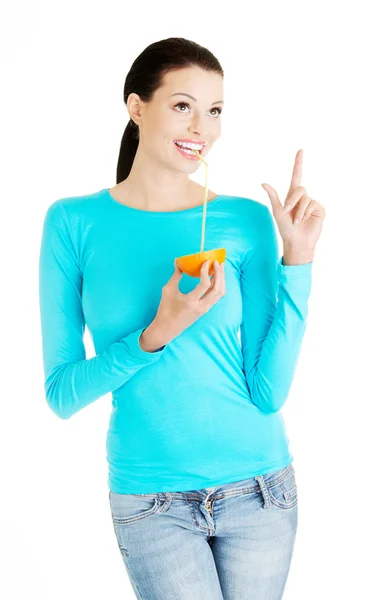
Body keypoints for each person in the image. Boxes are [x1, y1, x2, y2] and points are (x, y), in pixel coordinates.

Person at [38, 36, 325, 600]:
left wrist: (299, 261)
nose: (203, 127)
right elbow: (62, 393)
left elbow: (268, 392)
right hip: (152, 503)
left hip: (260, 491)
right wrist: (154, 335)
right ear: (137, 106)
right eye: (183, 105)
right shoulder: (73, 223)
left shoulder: (242, 220)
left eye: (215, 111)